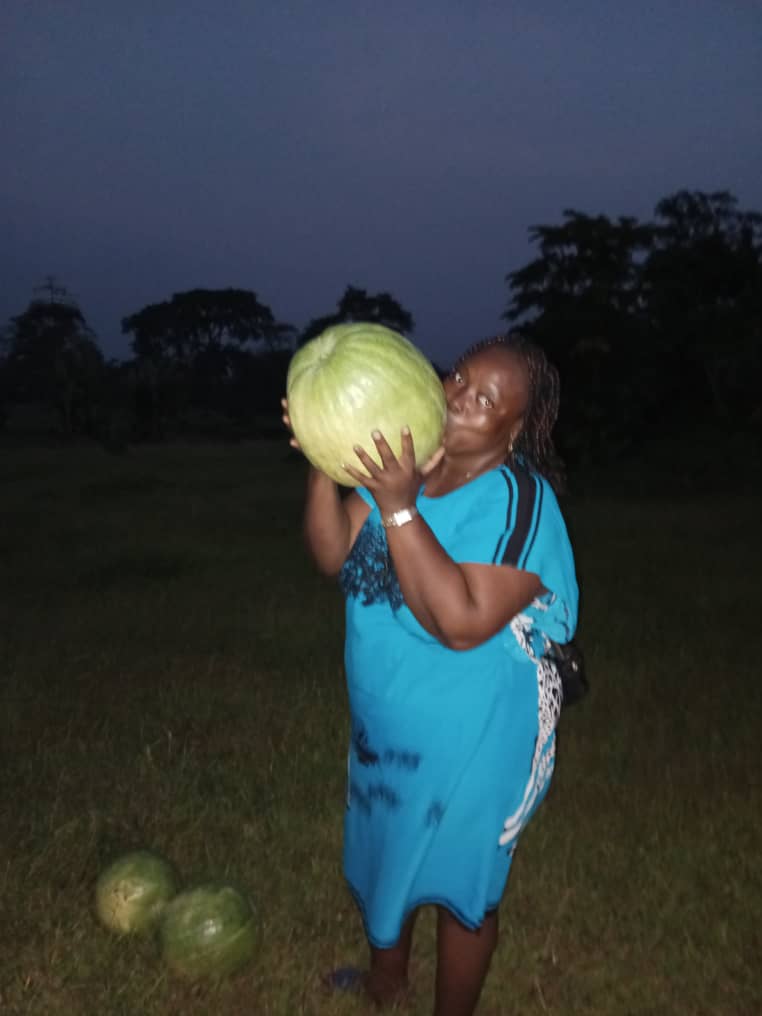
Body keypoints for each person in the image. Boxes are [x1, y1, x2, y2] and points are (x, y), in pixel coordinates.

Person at [283, 334, 579, 1015]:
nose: (461, 399)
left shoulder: (522, 503)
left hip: (476, 734)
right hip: (387, 716)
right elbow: (332, 552)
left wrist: (399, 506)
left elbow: (462, 623)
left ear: (516, 430)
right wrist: (324, 460)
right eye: (460, 378)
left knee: (462, 886)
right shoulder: (406, 462)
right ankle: (387, 984)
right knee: (388, 847)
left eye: (487, 401)